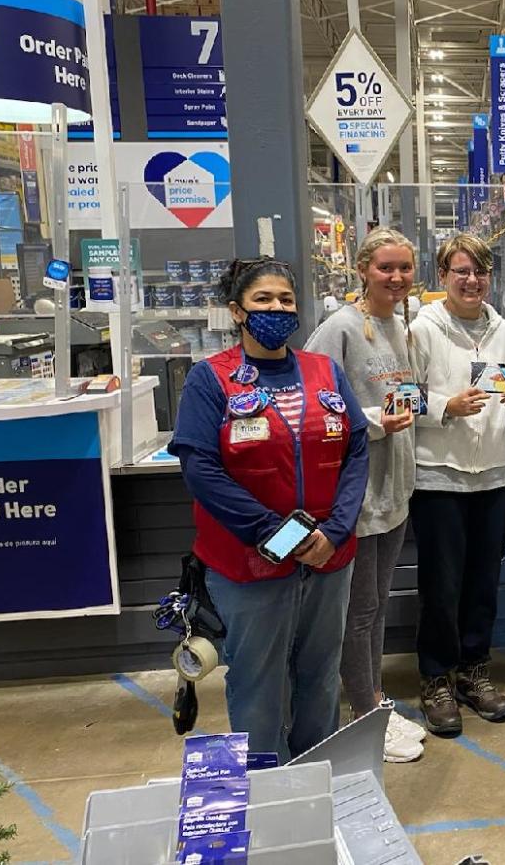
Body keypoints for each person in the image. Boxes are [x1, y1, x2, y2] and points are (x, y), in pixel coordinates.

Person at [169, 258, 369, 760]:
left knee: (321, 676)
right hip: (249, 563)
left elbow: (357, 448)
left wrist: (335, 531)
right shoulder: (210, 380)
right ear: (237, 311)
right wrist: (276, 534)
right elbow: (201, 470)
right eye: (263, 300)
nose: (277, 308)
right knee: (258, 681)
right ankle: (267, 783)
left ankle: (314, 774)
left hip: (329, 558)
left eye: (285, 299)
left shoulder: (324, 372)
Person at [305, 229, 428, 763]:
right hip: (355, 495)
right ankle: (364, 710)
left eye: (404, 268)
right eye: (386, 268)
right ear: (362, 269)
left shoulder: (401, 324)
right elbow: (316, 406)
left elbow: (409, 394)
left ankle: (372, 698)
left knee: (375, 606)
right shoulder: (340, 329)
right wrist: (378, 421)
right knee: (358, 611)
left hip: (395, 488)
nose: (396, 278)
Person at [410, 233, 505, 735]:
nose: (471, 280)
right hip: (439, 477)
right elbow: (403, 398)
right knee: (441, 586)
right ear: (443, 276)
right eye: (461, 271)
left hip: (496, 476)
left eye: (480, 271)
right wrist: (444, 408)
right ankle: (435, 678)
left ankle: (473, 672)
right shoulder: (421, 331)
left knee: (483, 583)